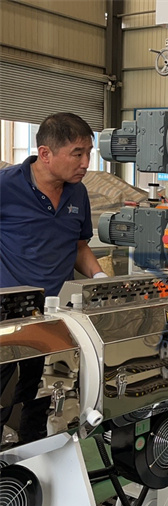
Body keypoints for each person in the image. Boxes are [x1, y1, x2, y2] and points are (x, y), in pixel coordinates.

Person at [0, 112, 106, 445]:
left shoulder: (78, 193)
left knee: (42, 394)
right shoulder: (5, 187)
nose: (86, 163)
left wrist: (100, 277)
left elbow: (78, 247)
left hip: (55, 317)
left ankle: (31, 453)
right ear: (45, 153)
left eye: (89, 152)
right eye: (78, 153)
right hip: (7, 318)